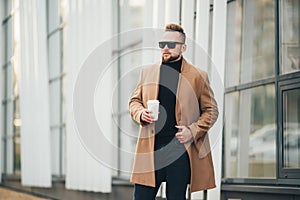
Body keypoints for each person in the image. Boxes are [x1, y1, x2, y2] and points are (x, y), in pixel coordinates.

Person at [129, 23, 219, 200]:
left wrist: (192, 131)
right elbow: (134, 101)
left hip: (179, 152)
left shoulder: (198, 76)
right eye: (162, 44)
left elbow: (211, 110)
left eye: (171, 45)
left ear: (183, 48)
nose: (166, 48)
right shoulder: (147, 72)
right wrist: (140, 113)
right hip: (150, 150)